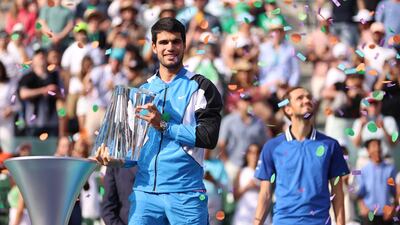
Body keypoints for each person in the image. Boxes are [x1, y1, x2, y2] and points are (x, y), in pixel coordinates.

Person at [95, 18, 223, 225]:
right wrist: (114, 159)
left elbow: (208, 137)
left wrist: (163, 125)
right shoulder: (139, 91)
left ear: (183, 45)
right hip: (144, 195)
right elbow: (132, 152)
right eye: (163, 42)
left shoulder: (202, 87)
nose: (170, 47)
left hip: (186, 194)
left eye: (175, 42)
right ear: (154, 47)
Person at [253, 87, 350, 225]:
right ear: (288, 109)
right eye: (300, 98)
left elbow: (338, 193)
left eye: (309, 97)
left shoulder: (331, 145)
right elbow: (265, 194)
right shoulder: (272, 147)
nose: (307, 101)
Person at [356, 139, 397, 225]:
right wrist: (363, 207)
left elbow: (396, 192)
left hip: (386, 214)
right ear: (368, 150)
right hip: (369, 215)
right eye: (374, 146)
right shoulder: (363, 171)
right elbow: (360, 194)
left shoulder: (390, 169)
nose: (377, 149)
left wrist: (393, 208)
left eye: (378, 145)